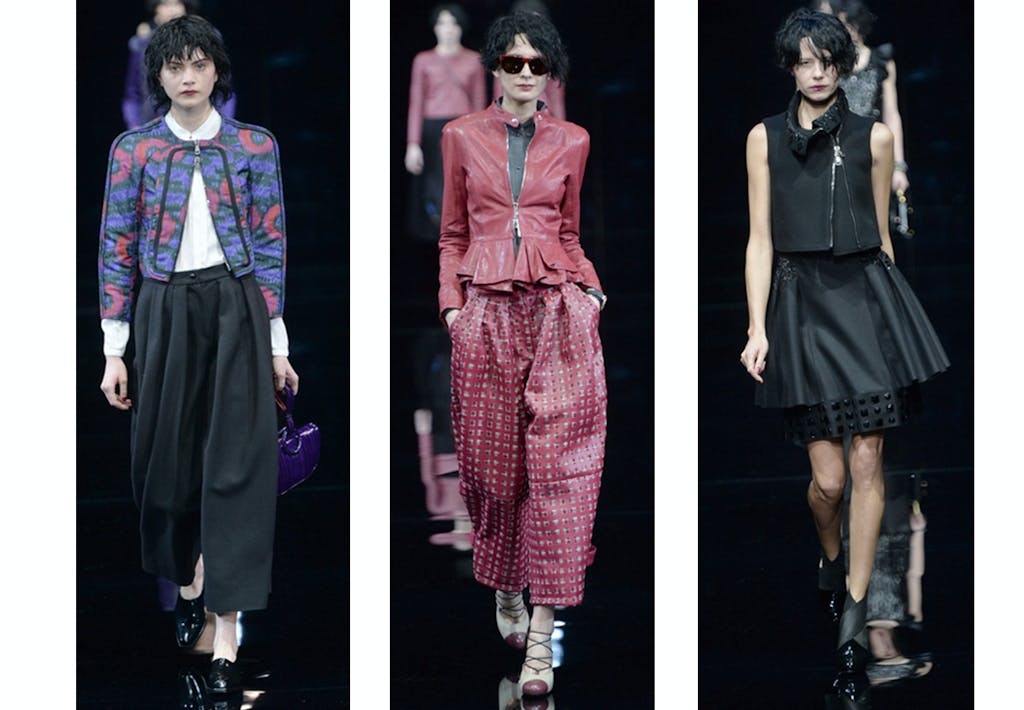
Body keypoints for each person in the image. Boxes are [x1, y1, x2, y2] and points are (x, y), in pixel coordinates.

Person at [738, 8, 948, 697]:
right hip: (801, 304)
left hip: (865, 300)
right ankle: (831, 560)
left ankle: (854, 614)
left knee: (868, 459)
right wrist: (757, 327)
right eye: (804, 61)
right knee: (827, 482)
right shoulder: (764, 139)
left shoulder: (874, 137)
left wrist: (895, 320)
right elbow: (760, 238)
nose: (816, 73)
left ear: (842, 66)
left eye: (826, 61)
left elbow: (883, 236)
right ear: (790, 67)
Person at [98, 14, 298, 693]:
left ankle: (228, 628)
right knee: (164, 466)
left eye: (199, 63)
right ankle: (188, 580)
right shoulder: (134, 150)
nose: (187, 76)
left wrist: (276, 344)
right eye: (174, 65)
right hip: (162, 307)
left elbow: (270, 243)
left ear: (217, 71)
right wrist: (114, 349)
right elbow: (116, 244)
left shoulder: (253, 145)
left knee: (238, 464)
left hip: (236, 305)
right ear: (158, 75)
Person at [438, 10, 607, 697]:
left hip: (559, 311)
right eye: (515, 62)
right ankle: (506, 582)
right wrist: (452, 308)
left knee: (561, 476)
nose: (527, 74)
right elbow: (452, 233)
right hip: (484, 313)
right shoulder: (460, 135)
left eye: (539, 64)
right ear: (495, 67)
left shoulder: (574, 139)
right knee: (492, 470)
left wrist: (591, 292)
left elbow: (569, 231)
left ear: (551, 72)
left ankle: (541, 638)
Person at [405, 3, 487, 241]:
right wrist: (413, 143)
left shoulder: (474, 60)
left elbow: (479, 102)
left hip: (464, 127)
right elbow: (416, 102)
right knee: (434, 183)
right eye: (443, 23)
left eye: (453, 23)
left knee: (461, 180)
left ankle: (462, 231)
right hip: (432, 128)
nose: (448, 29)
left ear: (461, 28)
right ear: (435, 28)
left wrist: (480, 139)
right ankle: (438, 233)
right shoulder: (423, 60)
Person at [814, 0, 909, 194]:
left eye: (850, 24)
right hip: (835, 154)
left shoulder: (881, 62)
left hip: (874, 153)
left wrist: (898, 166)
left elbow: (891, 115)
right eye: (842, 25)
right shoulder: (826, 65)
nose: (848, 31)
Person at [122, 0, 237, 129]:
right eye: (165, 4)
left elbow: (225, 88)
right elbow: (132, 93)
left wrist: (225, 122)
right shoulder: (143, 43)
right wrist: (134, 125)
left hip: (205, 124)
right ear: (155, 8)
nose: (172, 10)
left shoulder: (207, 38)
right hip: (153, 122)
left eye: (176, 4)